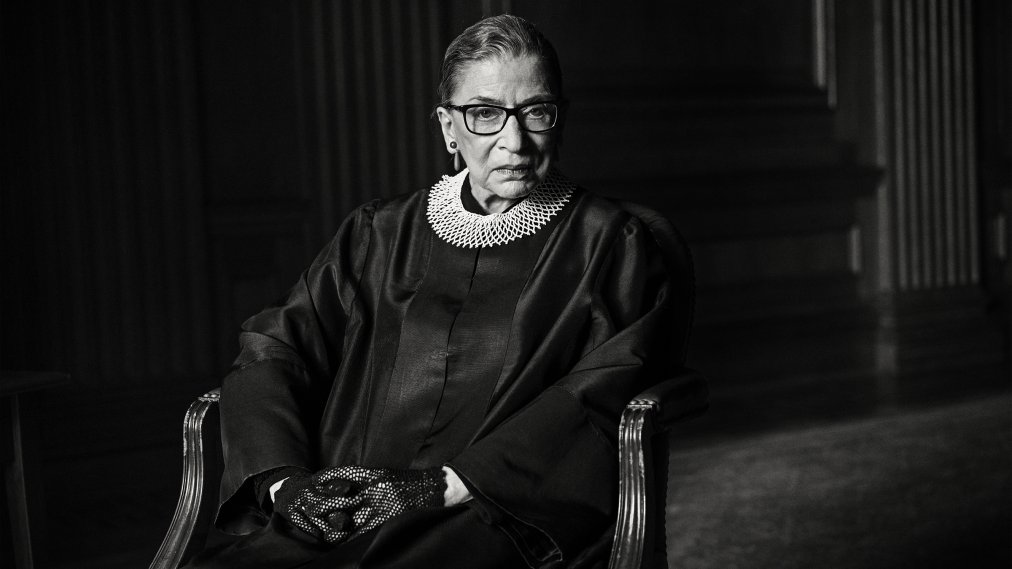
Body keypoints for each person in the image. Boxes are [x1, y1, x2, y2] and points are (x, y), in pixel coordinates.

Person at [185, 13, 687, 569]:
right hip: (341, 504)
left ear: (559, 120)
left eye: (536, 112)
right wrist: (287, 486)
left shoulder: (610, 244)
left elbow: (603, 390)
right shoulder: (379, 233)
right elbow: (275, 347)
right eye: (485, 114)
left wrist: (442, 487)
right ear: (449, 127)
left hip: (498, 512)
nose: (514, 141)